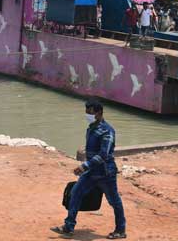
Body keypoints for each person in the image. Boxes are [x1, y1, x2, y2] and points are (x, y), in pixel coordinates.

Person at [50, 100, 127, 239]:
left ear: (99, 113)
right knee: (75, 193)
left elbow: (104, 155)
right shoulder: (91, 128)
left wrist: (84, 166)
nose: (87, 115)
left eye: (90, 112)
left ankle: (120, 230)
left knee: (114, 201)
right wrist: (86, 166)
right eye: (86, 112)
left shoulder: (107, 131)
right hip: (91, 172)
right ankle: (68, 226)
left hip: (105, 173)